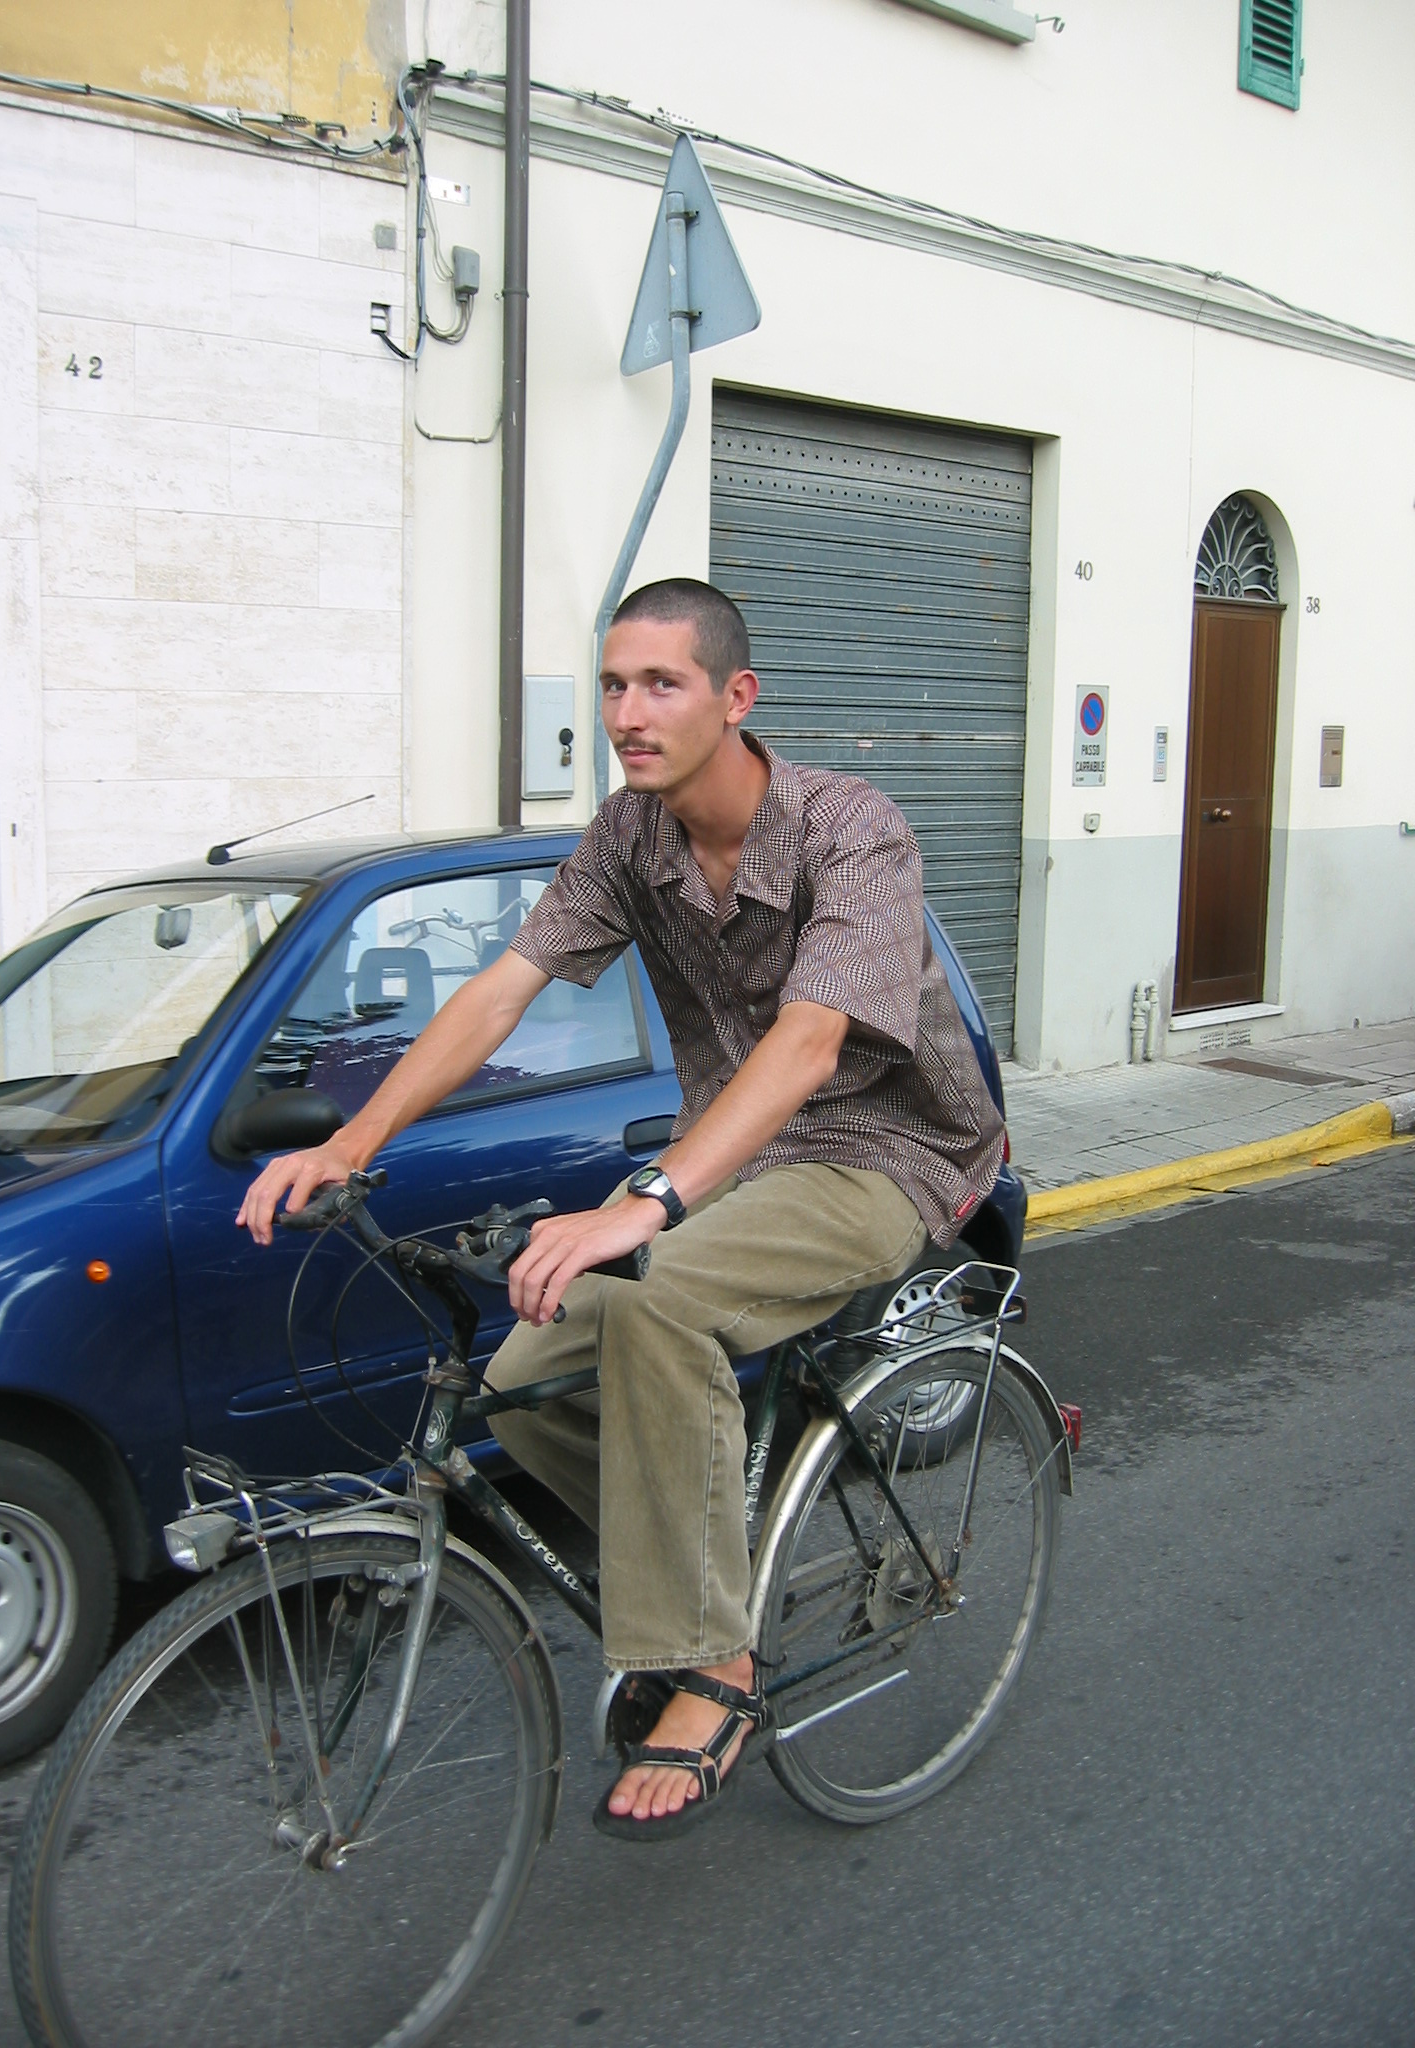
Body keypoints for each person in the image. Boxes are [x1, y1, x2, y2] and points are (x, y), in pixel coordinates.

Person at [238, 577, 1005, 1840]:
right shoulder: (629, 837)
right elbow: (504, 988)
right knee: (526, 1366)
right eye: (612, 684)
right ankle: (697, 1562)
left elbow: (812, 1044)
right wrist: (352, 1140)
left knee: (656, 1299)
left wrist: (642, 1202)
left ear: (734, 696)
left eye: (660, 683)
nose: (628, 711)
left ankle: (716, 1667)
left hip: (884, 1147)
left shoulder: (848, 827)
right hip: (739, 1152)